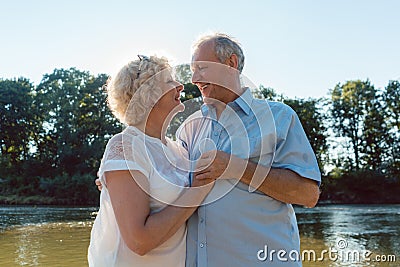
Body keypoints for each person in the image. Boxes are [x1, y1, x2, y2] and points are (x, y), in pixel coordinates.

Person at [176, 33, 321, 266]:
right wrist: (123, 172)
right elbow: (168, 180)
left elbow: (307, 194)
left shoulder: (280, 117)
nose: (194, 78)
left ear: (231, 63)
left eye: (201, 68)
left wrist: (236, 167)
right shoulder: (189, 127)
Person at [88, 55, 214, 267]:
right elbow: (139, 241)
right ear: (147, 94)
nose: (181, 86)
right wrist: (197, 191)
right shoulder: (126, 146)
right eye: (169, 81)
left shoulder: (179, 151)